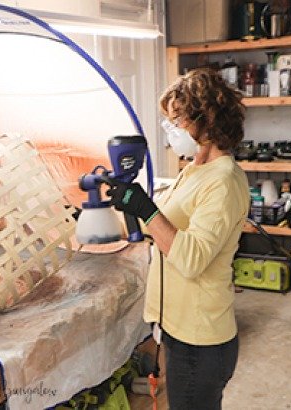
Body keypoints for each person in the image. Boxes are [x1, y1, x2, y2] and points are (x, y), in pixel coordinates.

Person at [106, 68, 250, 410]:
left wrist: (146, 209)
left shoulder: (223, 181)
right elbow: (169, 229)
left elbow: (191, 258)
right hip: (178, 326)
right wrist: (136, 209)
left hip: (201, 338)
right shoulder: (194, 168)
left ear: (207, 120)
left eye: (176, 121)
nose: (171, 130)